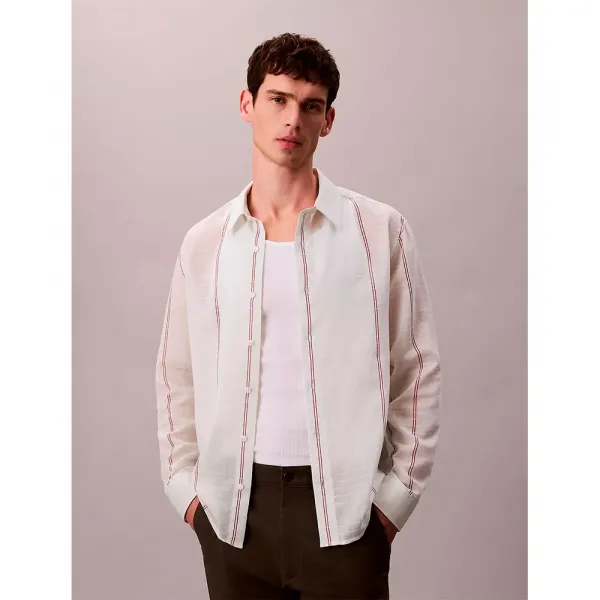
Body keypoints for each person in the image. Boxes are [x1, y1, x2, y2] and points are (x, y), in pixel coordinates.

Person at [155, 32, 442, 599]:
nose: (293, 119)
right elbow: (175, 373)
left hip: (346, 515)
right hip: (233, 513)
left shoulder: (379, 231)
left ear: (327, 121)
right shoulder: (205, 242)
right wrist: (186, 492)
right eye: (278, 99)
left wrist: (393, 502)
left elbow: (416, 368)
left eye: (311, 106)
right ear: (247, 104)